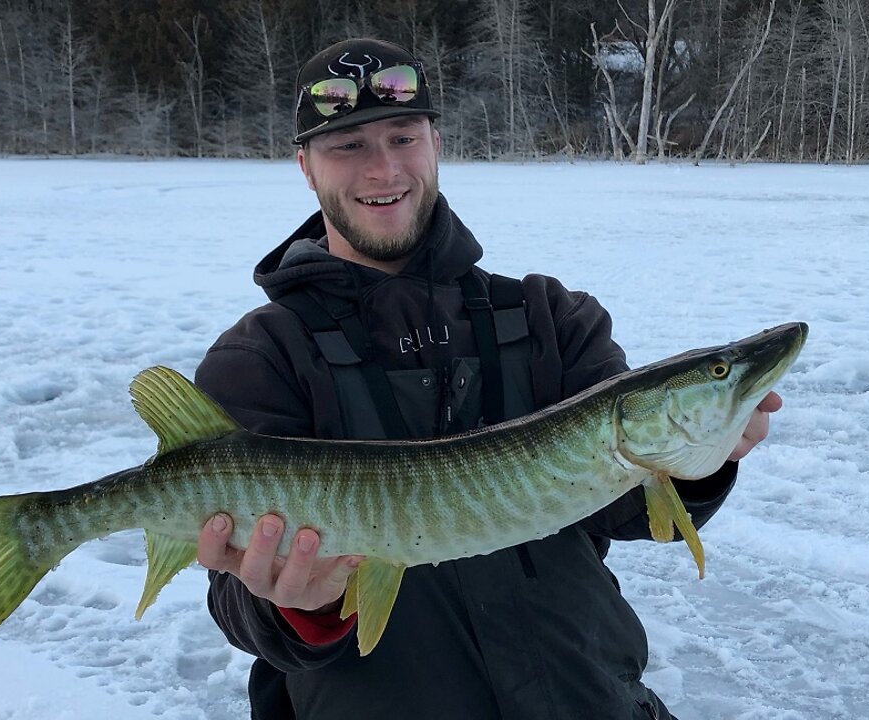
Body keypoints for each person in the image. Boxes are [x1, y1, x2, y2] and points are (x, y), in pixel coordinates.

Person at [191, 38, 783, 720]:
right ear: (305, 166)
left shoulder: (547, 316)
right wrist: (302, 605)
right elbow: (239, 603)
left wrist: (700, 460)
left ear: (434, 143)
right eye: (346, 146)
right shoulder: (261, 356)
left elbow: (630, 512)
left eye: (402, 136)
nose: (382, 168)